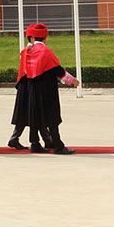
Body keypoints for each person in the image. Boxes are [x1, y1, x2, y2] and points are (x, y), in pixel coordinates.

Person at [24, 23, 76, 155]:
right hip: (46, 89)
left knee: (35, 116)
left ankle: (35, 144)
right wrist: (72, 81)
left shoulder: (29, 51)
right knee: (52, 117)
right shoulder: (45, 51)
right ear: (45, 38)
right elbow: (57, 69)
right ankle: (58, 145)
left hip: (32, 88)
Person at [8, 25, 36, 150]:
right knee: (34, 113)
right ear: (31, 38)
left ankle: (14, 138)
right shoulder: (30, 51)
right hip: (28, 83)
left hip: (24, 83)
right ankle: (48, 139)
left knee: (24, 114)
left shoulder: (26, 50)